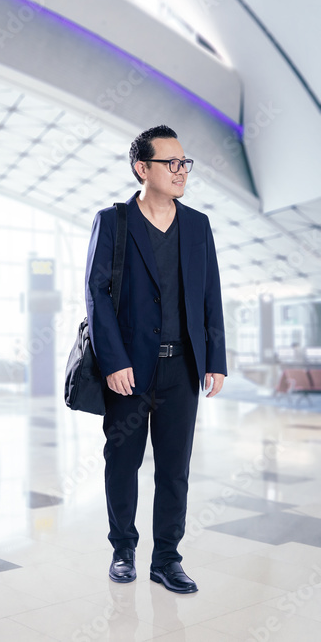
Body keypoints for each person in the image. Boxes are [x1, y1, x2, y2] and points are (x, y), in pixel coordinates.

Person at [85, 125, 226, 594]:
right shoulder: (114, 220)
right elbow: (97, 295)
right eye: (171, 163)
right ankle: (123, 549)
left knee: (174, 469)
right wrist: (113, 360)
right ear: (142, 168)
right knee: (122, 462)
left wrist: (216, 358)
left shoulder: (198, 225)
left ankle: (166, 558)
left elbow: (210, 295)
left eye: (185, 163)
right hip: (129, 369)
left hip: (182, 367)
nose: (181, 171)